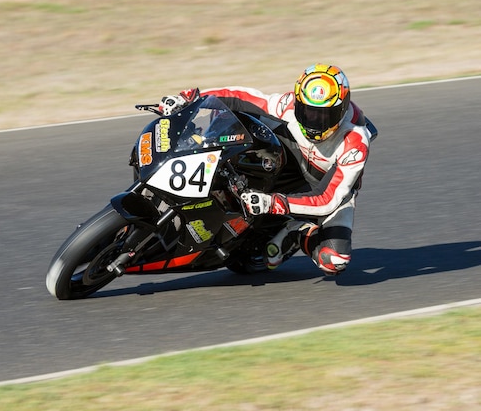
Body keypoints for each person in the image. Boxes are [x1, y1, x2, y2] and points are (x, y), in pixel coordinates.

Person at [158, 63, 377, 275]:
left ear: (341, 110)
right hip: (289, 164)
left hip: (327, 188)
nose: (315, 123)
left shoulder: (355, 139)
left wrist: (273, 203)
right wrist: (190, 100)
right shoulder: (287, 104)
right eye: (308, 113)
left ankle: (298, 233)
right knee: (245, 124)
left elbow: (326, 198)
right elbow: (240, 98)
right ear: (298, 103)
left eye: (324, 116)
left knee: (334, 259)